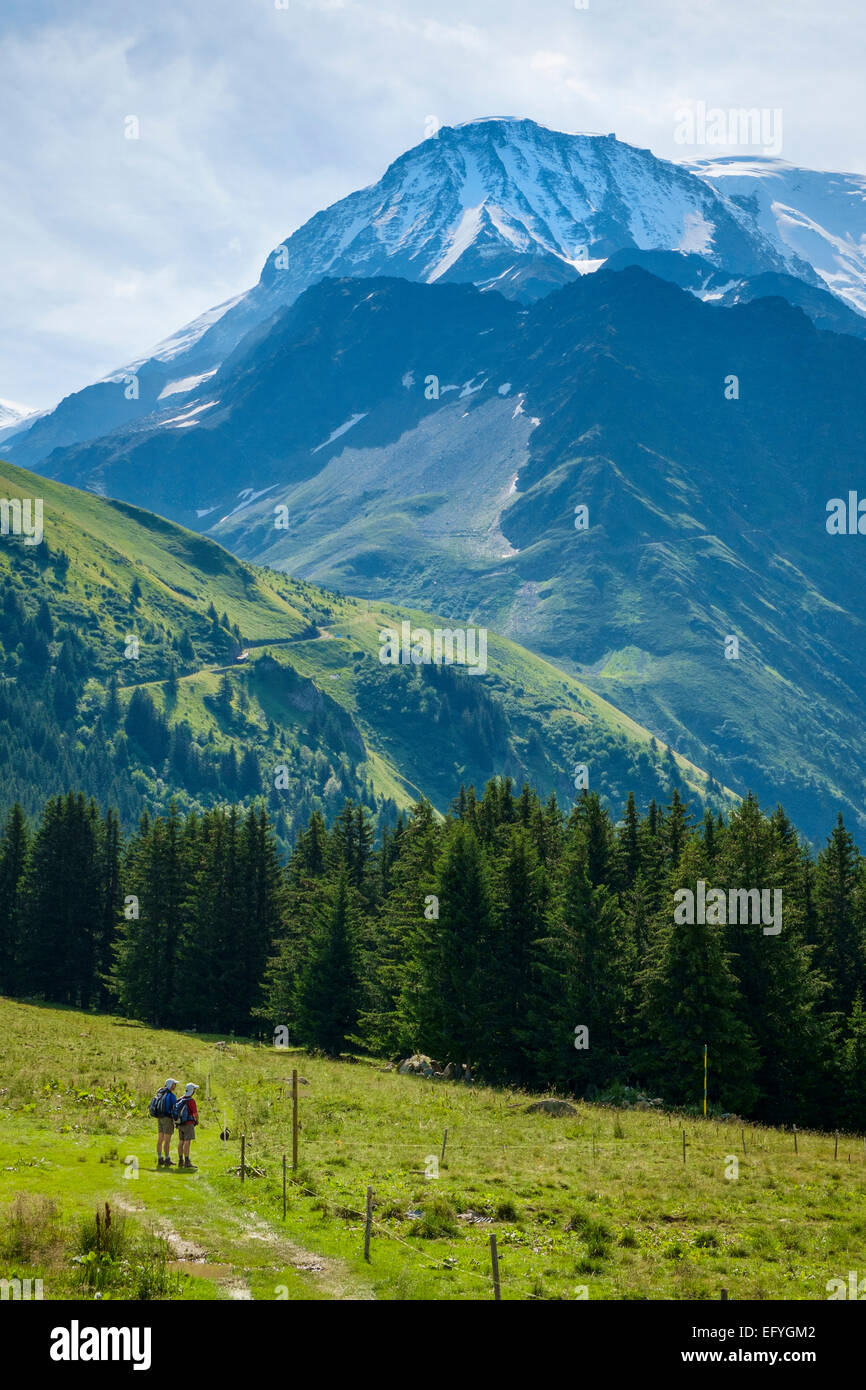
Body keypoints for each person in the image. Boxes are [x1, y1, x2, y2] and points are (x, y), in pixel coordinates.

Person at [152, 1078, 178, 1168]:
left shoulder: (160, 1093)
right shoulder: (171, 1096)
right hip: (167, 1118)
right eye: (174, 1084)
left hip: (159, 1118)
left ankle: (160, 1159)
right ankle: (167, 1159)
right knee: (167, 1140)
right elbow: (175, 1108)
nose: (175, 1086)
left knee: (160, 1139)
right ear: (171, 1085)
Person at [175, 1083, 199, 1170]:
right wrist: (197, 1121)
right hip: (188, 1124)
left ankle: (180, 1161)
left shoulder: (180, 1099)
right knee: (187, 1142)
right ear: (192, 1091)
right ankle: (187, 1162)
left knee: (181, 1141)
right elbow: (195, 1114)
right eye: (194, 1090)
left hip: (180, 1123)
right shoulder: (191, 1101)